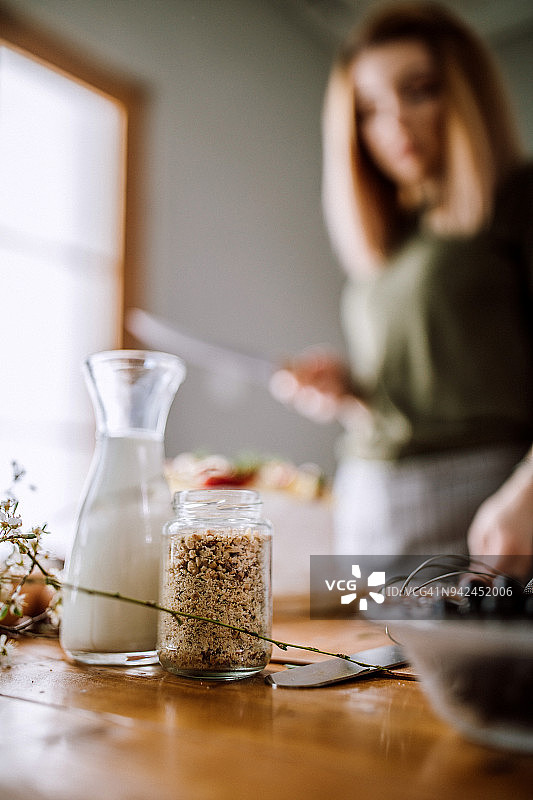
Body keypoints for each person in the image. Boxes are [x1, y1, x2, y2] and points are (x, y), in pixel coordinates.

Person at [270, 1, 533, 577]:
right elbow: (437, 376)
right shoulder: (396, 241)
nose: (395, 125)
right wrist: (349, 388)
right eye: (369, 110)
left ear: (465, 93)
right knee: (355, 666)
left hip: (482, 511)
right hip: (366, 508)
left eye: (419, 90)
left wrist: (529, 494)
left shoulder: (519, 202)